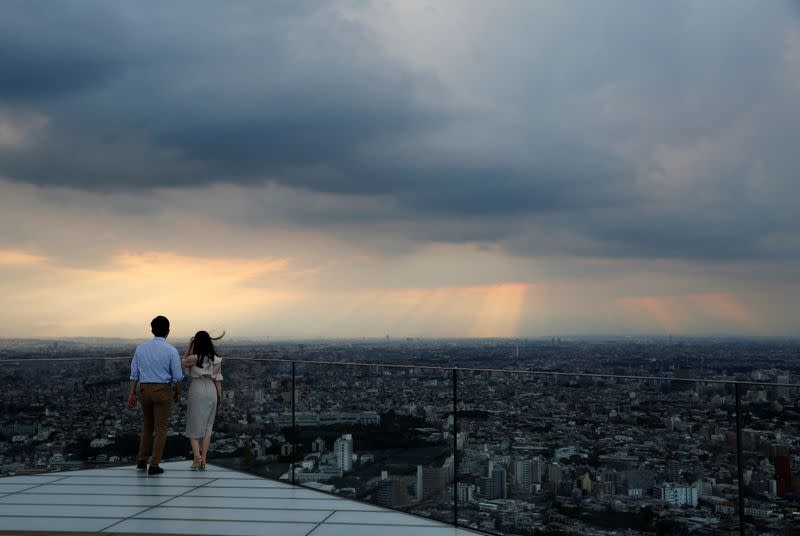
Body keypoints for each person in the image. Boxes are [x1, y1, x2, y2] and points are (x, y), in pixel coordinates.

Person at [128, 315, 183, 475]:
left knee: (147, 425)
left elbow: (134, 374)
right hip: (162, 390)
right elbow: (177, 376)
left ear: (152, 330)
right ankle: (154, 464)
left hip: (144, 389)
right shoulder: (171, 350)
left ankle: (141, 460)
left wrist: (132, 392)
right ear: (168, 331)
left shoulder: (141, 348)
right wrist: (178, 392)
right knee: (160, 428)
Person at [181, 330, 224, 470]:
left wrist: (189, 345)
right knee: (208, 426)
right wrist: (219, 397)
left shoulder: (194, 357)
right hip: (211, 389)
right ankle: (203, 459)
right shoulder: (216, 359)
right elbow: (218, 379)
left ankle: (197, 456)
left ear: (197, 343)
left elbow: (183, 362)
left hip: (197, 388)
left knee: (194, 424)